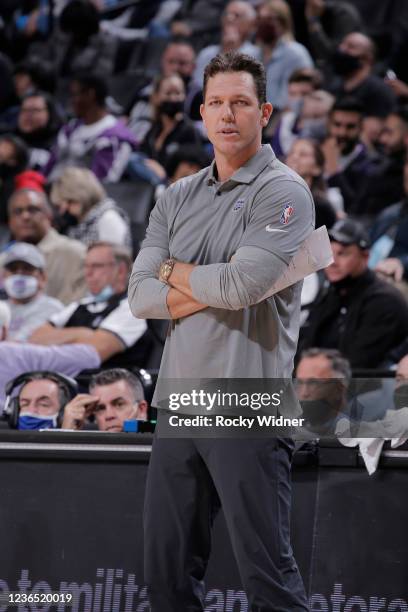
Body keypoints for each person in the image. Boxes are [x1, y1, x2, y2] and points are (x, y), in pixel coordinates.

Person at [128, 52, 314, 611]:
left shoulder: (285, 192)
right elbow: (139, 298)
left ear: (265, 111)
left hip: (248, 398)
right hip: (177, 398)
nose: (225, 114)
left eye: (239, 102)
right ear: (202, 113)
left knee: (269, 581)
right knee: (166, 577)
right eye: (215, 103)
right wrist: (210, 279)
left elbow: (240, 288)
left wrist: (171, 272)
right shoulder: (175, 196)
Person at [299, 219, 408, 369]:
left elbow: (359, 367)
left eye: (342, 254)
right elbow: (306, 345)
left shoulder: (384, 302)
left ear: (365, 257)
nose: (333, 262)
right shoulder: (332, 292)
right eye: (330, 252)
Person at [30, 241, 152, 369]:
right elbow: (35, 338)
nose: (88, 273)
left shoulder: (133, 307)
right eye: (86, 266)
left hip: (104, 384)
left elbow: (91, 353)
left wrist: (56, 339)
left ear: (121, 271)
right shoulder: (80, 305)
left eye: (96, 266)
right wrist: (82, 333)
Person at [3, 172, 86, 304]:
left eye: (33, 209)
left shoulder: (77, 253)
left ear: (49, 215)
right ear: (10, 222)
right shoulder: (3, 260)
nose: (25, 216)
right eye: (18, 212)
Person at [43, 73, 137, 183]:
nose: (71, 101)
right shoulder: (70, 129)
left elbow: (103, 182)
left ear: (90, 94)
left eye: (74, 95)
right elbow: (49, 167)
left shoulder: (116, 137)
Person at [50, 167, 131, 248]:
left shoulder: (108, 219)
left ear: (81, 197)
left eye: (70, 202)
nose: (63, 210)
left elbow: (113, 258)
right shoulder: (79, 224)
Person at [321, 97, 376, 213]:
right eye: (337, 125)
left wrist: (333, 169)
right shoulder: (314, 150)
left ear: (361, 128)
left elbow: (355, 206)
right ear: (328, 124)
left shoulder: (370, 163)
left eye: (350, 127)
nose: (342, 132)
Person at [256, 0, 313, 110]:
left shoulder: (296, 53)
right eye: (260, 19)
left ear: (283, 23)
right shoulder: (253, 53)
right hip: (258, 116)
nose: (263, 24)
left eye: (269, 19)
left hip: (283, 117)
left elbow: (301, 95)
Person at [1, 241, 63, 341]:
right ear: (3, 277)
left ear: (43, 277)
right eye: (13, 269)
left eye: (27, 269)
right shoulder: (2, 306)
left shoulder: (51, 308)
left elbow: (24, 343)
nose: (19, 275)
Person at [193, 1, 259, 86]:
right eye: (226, 14)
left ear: (251, 24)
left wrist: (232, 50)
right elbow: (197, 87)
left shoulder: (256, 54)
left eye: (237, 15)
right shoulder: (206, 53)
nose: (229, 18)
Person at [61, 368, 148, 431]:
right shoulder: (88, 448)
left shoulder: (160, 442)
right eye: (100, 408)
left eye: (119, 404)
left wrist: (132, 428)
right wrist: (66, 432)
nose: (109, 415)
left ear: (141, 409)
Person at [285, 138, 336, 228]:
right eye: (291, 153)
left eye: (303, 155)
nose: (294, 157)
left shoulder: (320, 206)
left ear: (317, 168)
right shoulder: (275, 196)